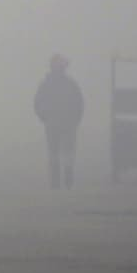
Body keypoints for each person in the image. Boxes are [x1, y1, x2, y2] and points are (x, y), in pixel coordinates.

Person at [34, 54, 83, 190]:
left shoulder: (49, 84)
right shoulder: (69, 84)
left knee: (58, 152)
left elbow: (79, 104)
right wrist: (44, 117)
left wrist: (43, 117)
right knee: (60, 152)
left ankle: (61, 181)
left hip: (60, 123)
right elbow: (38, 103)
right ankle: (62, 180)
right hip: (60, 123)